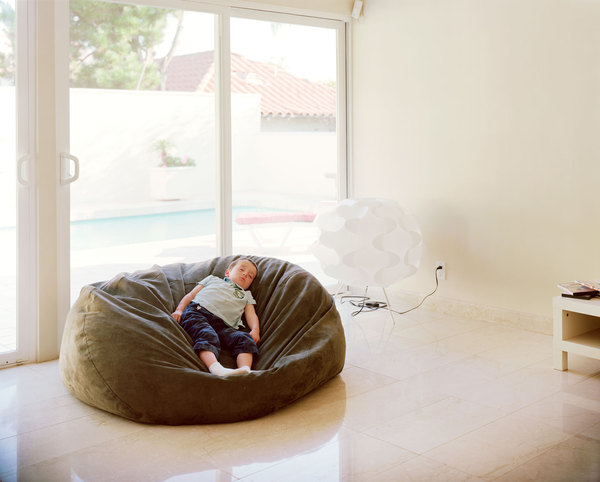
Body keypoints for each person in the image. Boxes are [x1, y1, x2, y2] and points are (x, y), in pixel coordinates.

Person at [172, 258, 260, 377]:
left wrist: (255, 330)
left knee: (244, 338)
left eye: (250, 276)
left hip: (224, 325)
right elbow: (191, 295)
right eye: (241, 269)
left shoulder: (246, 295)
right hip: (198, 312)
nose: (245, 274)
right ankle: (216, 369)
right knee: (207, 334)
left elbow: (251, 314)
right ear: (228, 272)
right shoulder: (212, 279)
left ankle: (245, 371)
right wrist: (179, 310)